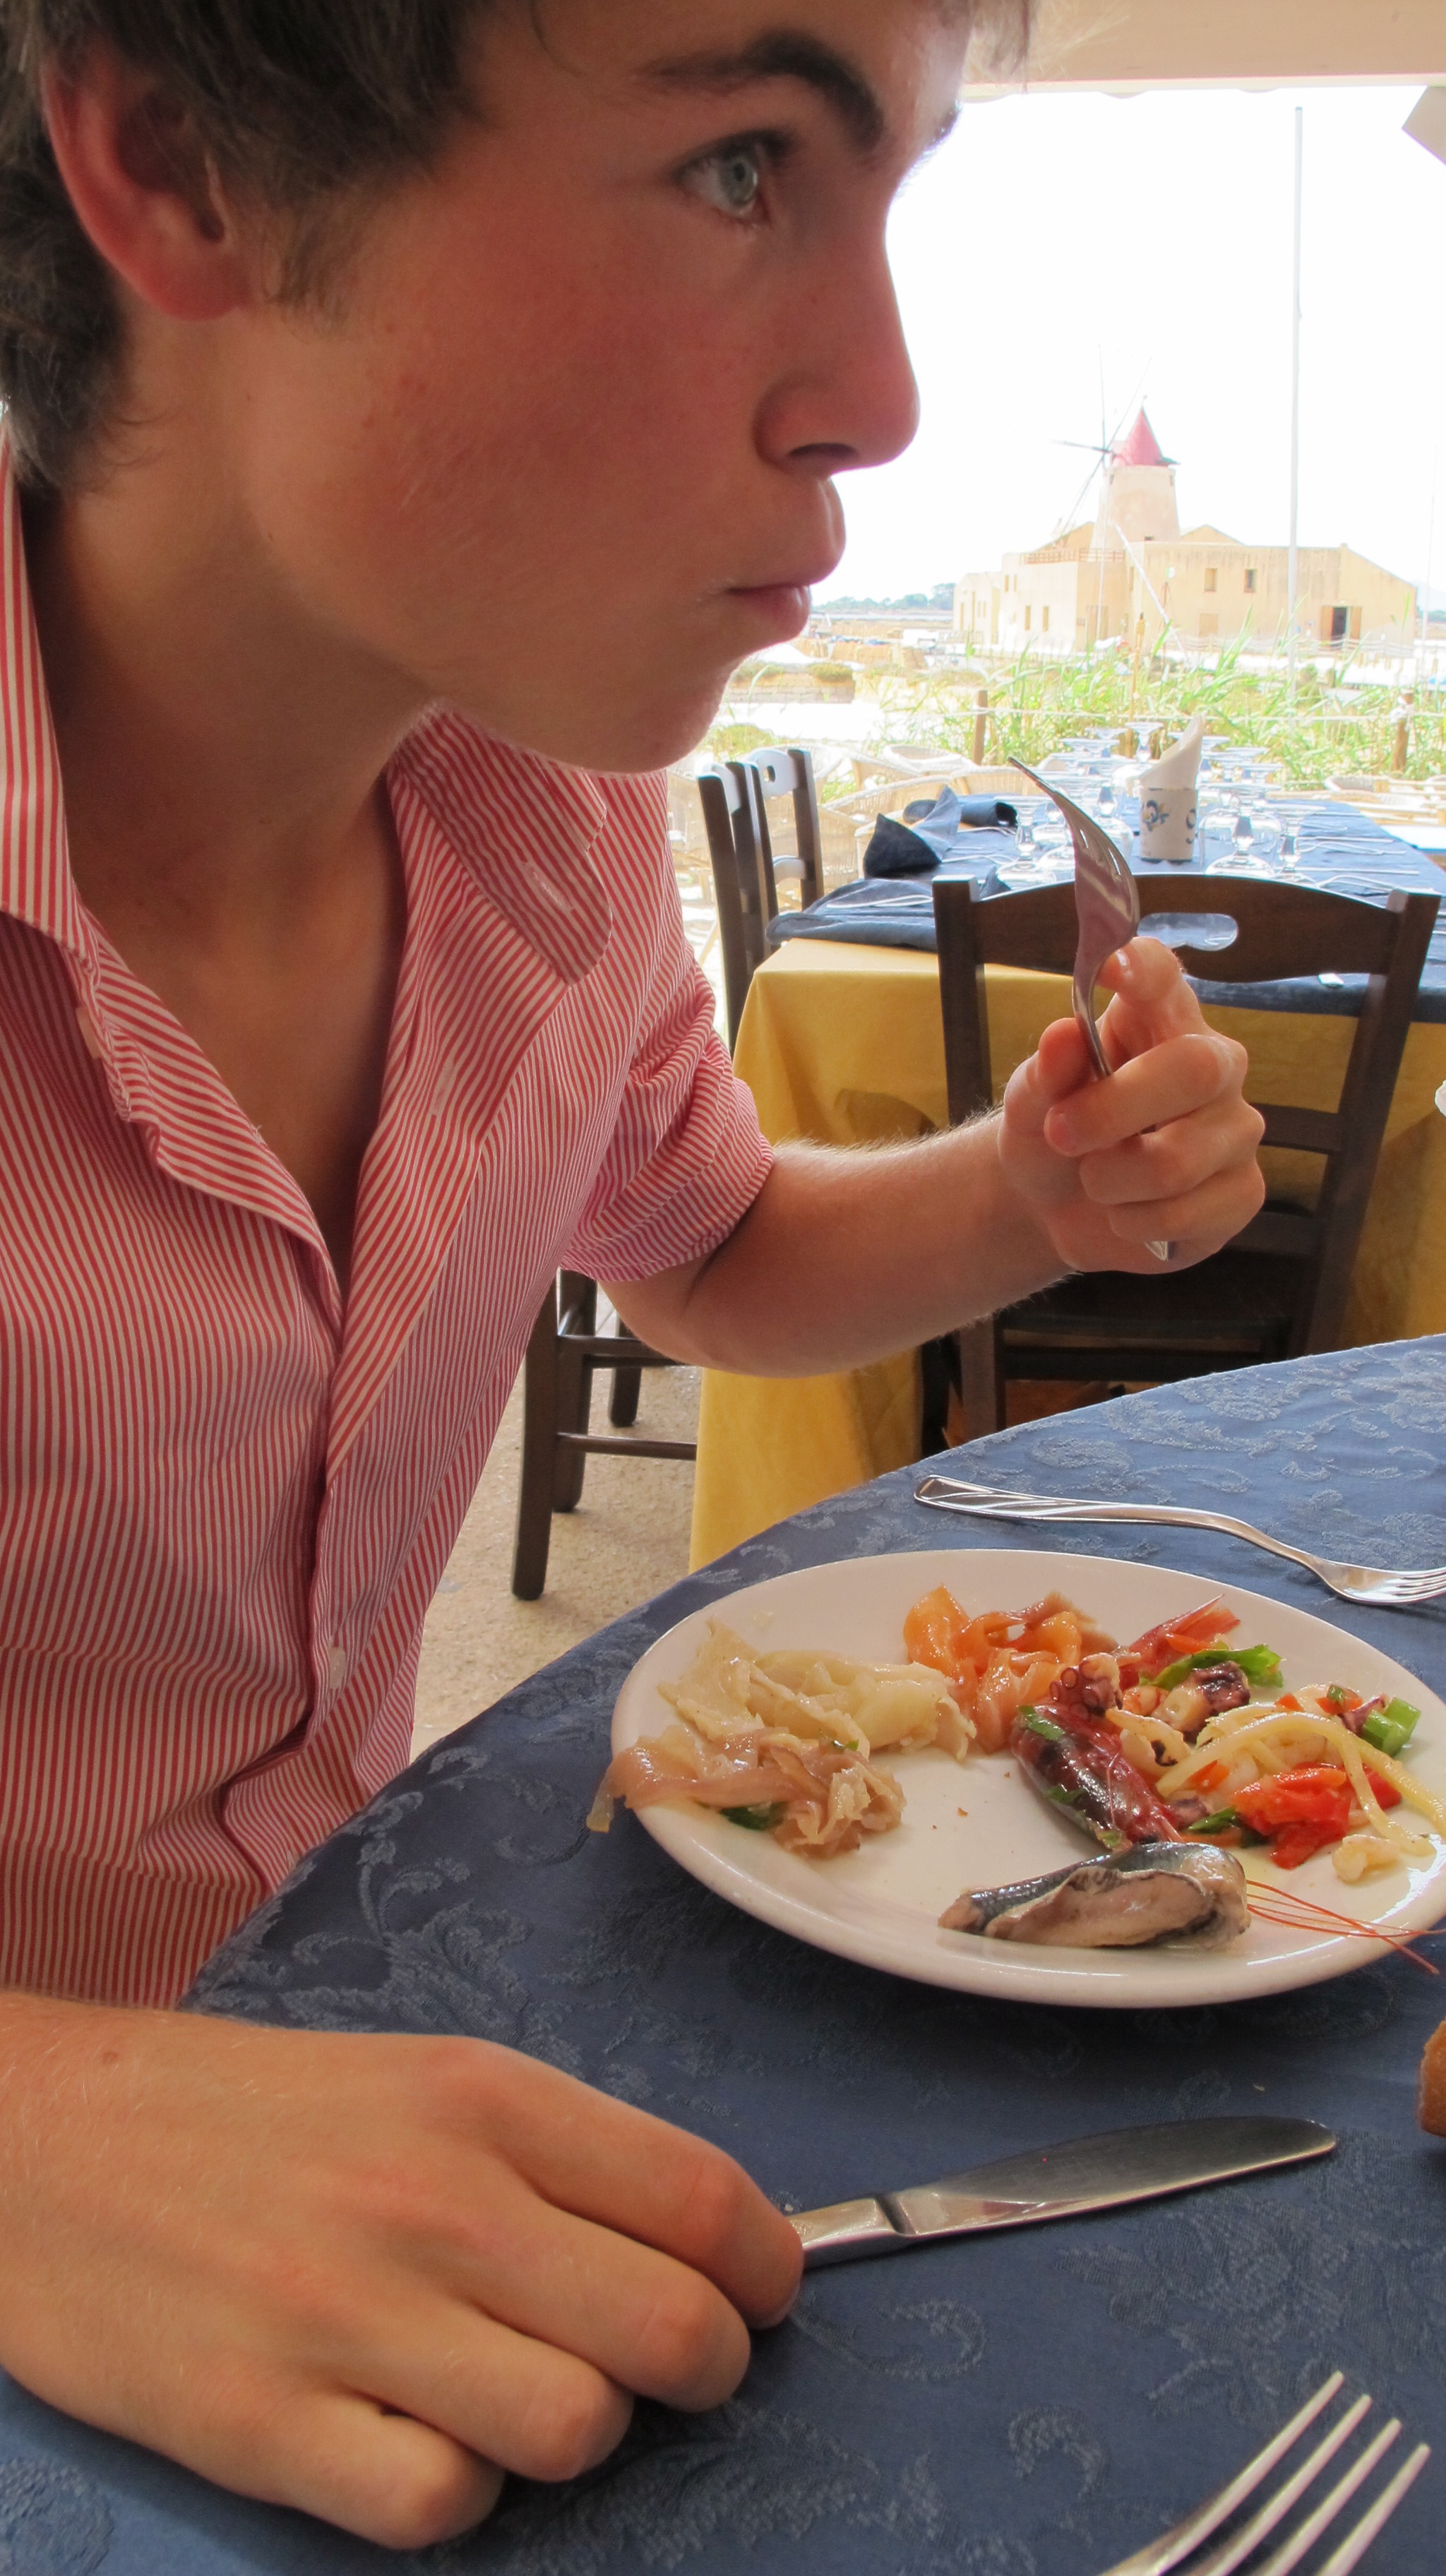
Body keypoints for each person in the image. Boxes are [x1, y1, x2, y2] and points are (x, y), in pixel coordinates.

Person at [0, 0, 1266, 2548]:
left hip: (400, 2066)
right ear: (178, 152)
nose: (884, 394)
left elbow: (716, 1257)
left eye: (890, 191)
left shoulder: (547, 822)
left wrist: (1029, 1190)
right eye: (733, 167)